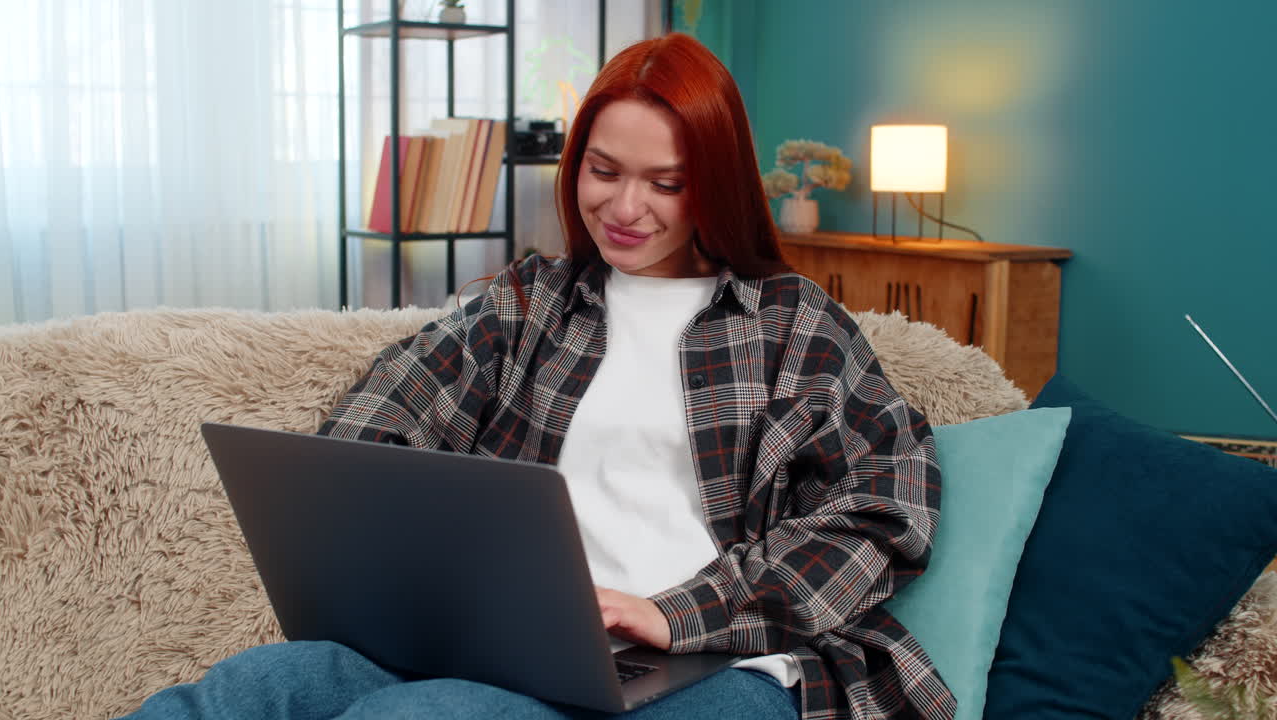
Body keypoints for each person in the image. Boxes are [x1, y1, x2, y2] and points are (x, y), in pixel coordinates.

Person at [119, 32, 955, 720]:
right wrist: (432, 577)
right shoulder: (528, 304)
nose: (624, 209)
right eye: (604, 171)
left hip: (717, 660)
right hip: (519, 644)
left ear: (716, 184)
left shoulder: (794, 325)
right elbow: (370, 433)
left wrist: (673, 612)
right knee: (250, 689)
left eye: (666, 183)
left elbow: (884, 511)